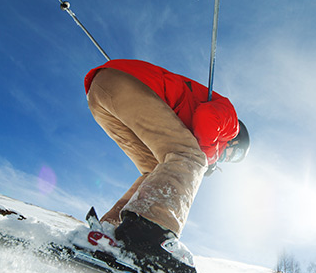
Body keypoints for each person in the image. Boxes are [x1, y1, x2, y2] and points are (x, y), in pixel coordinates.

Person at [85, 59, 249, 258]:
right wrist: (207, 158)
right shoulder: (231, 123)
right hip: (131, 87)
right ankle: (148, 236)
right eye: (236, 154)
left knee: (156, 170)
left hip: (101, 93)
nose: (227, 158)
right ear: (236, 141)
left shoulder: (190, 133)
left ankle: (110, 230)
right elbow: (207, 117)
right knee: (191, 157)